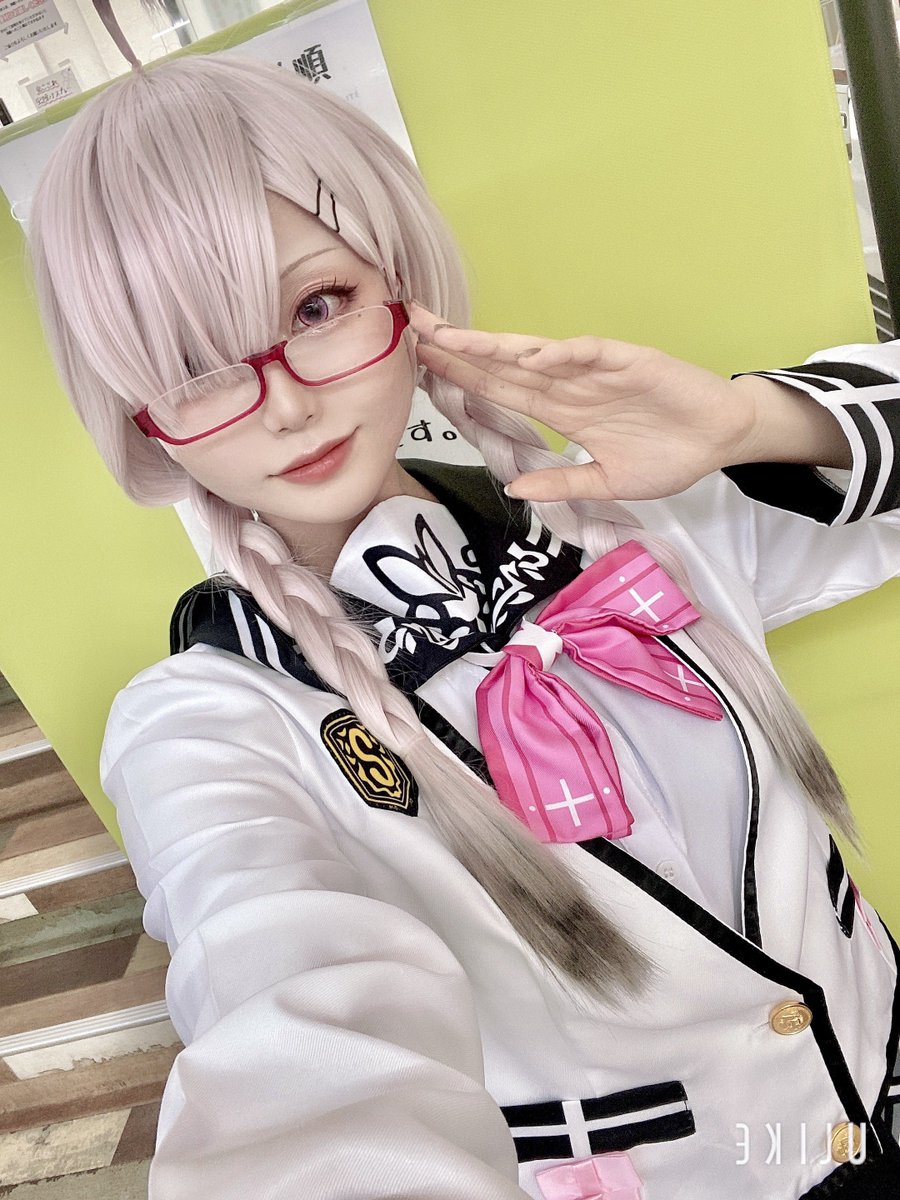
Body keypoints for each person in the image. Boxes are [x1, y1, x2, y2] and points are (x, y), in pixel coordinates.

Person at [25, 53, 900, 1200]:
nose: (285, 403)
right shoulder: (202, 726)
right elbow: (286, 1032)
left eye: (316, 306)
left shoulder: (631, 518)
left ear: (398, 283)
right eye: (194, 366)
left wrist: (751, 420)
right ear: (142, 419)